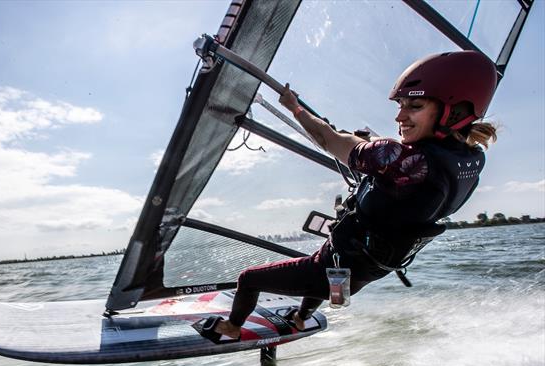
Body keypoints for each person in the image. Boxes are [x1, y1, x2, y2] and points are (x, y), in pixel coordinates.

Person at [201, 50, 499, 342]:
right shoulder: (471, 160)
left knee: (249, 279)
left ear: (454, 112)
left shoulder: (394, 157)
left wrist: (295, 109)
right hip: (365, 272)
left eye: (415, 106)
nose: (400, 116)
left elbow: (327, 138)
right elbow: (411, 168)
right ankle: (301, 318)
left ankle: (231, 328)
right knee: (321, 275)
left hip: (338, 264)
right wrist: (371, 145)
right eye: (401, 104)